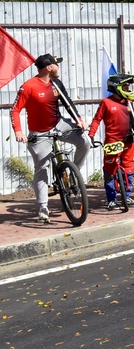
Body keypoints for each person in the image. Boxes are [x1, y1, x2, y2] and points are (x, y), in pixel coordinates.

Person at [11, 54, 92, 223]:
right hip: (39, 133)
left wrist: (79, 121)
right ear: (49, 68)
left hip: (59, 124)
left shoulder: (56, 83)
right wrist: (18, 131)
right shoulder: (28, 86)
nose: (58, 67)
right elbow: (15, 110)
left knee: (85, 142)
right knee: (42, 169)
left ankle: (73, 174)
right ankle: (43, 207)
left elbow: (68, 103)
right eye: (56, 64)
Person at [89, 73, 134, 210]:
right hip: (112, 141)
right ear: (116, 87)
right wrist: (91, 135)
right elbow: (96, 119)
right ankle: (111, 199)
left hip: (128, 140)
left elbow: (133, 119)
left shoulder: (128, 102)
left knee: (129, 169)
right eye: (125, 86)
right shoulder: (106, 102)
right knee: (109, 170)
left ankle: (127, 196)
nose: (128, 89)